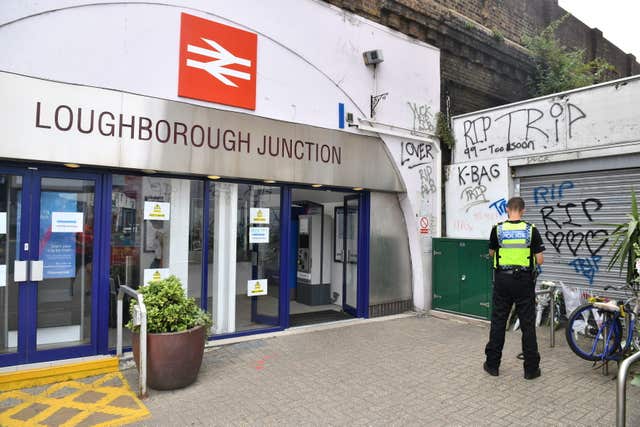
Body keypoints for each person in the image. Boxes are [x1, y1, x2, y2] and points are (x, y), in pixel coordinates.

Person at [483, 196, 545, 380]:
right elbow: (540, 259)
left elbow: (492, 253)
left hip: (502, 280)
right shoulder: (531, 230)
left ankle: (492, 365)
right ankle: (531, 370)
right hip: (524, 281)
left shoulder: (498, 229)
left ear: (507, 210)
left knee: (498, 322)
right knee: (527, 325)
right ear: (523, 210)